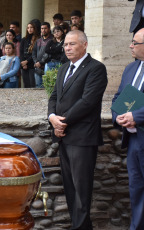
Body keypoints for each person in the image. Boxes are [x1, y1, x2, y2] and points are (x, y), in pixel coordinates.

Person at [48, 30, 108, 229]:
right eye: (66, 45)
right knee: (71, 190)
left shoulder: (96, 69)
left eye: (72, 44)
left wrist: (62, 122)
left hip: (82, 138)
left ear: (84, 45)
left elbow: (88, 102)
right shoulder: (64, 68)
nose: (67, 48)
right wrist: (52, 118)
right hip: (64, 137)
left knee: (82, 191)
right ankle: (80, 226)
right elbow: (54, 97)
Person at [112, 28, 144, 230]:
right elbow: (117, 99)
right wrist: (120, 118)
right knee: (136, 190)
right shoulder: (130, 69)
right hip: (133, 142)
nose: (130, 46)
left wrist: (137, 116)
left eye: (135, 42)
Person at [32, 22, 53, 88]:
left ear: (49, 29)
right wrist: (36, 62)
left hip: (48, 66)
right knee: (38, 86)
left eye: (45, 28)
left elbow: (50, 54)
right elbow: (34, 52)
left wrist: (41, 62)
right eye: (42, 28)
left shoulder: (52, 40)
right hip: (38, 67)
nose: (43, 30)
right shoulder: (38, 41)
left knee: (47, 87)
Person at [20, 21, 40, 88]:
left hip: (32, 64)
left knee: (32, 84)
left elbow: (35, 53)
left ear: (35, 28)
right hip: (24, 65)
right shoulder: (24, 39)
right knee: (26, 84)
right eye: (28, 28)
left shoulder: (38, 39)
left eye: (31, 27)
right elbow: (21, 52)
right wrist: (23, 63)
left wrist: (27, 61)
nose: (29, 29)